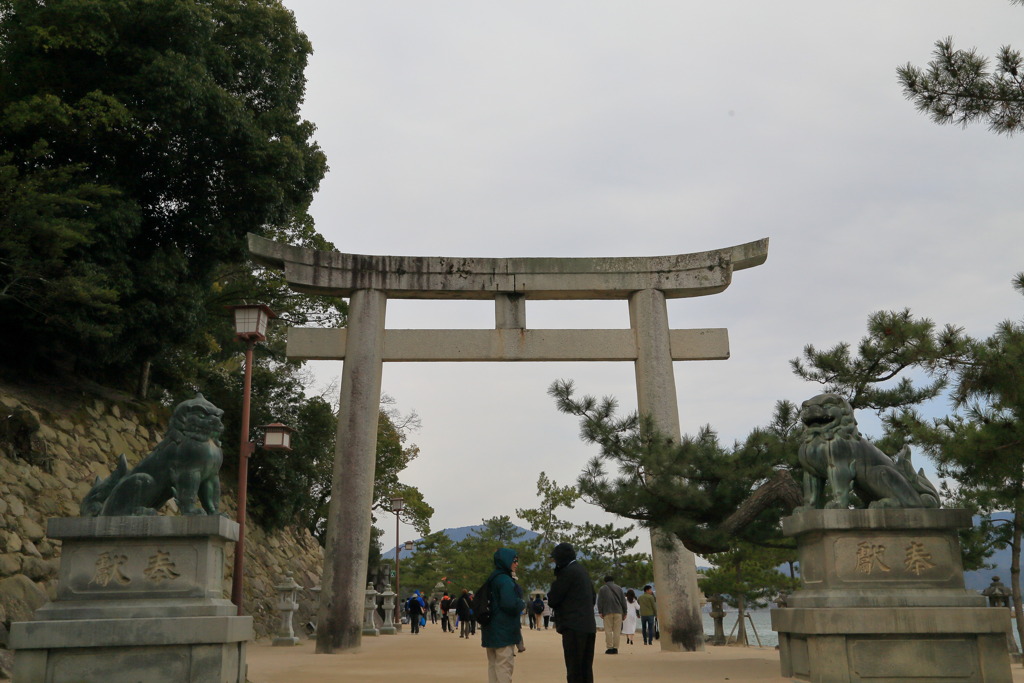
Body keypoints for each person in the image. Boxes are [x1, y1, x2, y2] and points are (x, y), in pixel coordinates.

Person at [547, 542, 596, 683]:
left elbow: (553, 598)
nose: (554, 562)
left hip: (574, 626)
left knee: (574, 669)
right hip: (588, 625)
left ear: (561, 558)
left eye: (555, 559)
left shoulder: (568, 573)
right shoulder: (582, 570)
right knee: (586, 669)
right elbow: (593, 597)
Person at [480, 548, 525, 683]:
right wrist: (521, 603)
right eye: (514, 560)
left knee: (493, 665)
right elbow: (509, 604)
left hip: (490, 629)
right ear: (507, 561)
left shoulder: (492, 578)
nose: (516, 564)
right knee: (504, 666)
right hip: (504, 631)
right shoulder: (505, 580)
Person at [596, 575, 627, 654]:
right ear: (613, 580)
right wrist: (625, 612)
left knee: (608, 630)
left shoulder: (602, 589)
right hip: (618, 611)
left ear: (605, 581)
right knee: (617, 631)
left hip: (607, 611)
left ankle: (609, 648)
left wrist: (600, 611)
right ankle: (616, 648)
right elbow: (623, 601)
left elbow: (600, 601)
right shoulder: (619, 588)